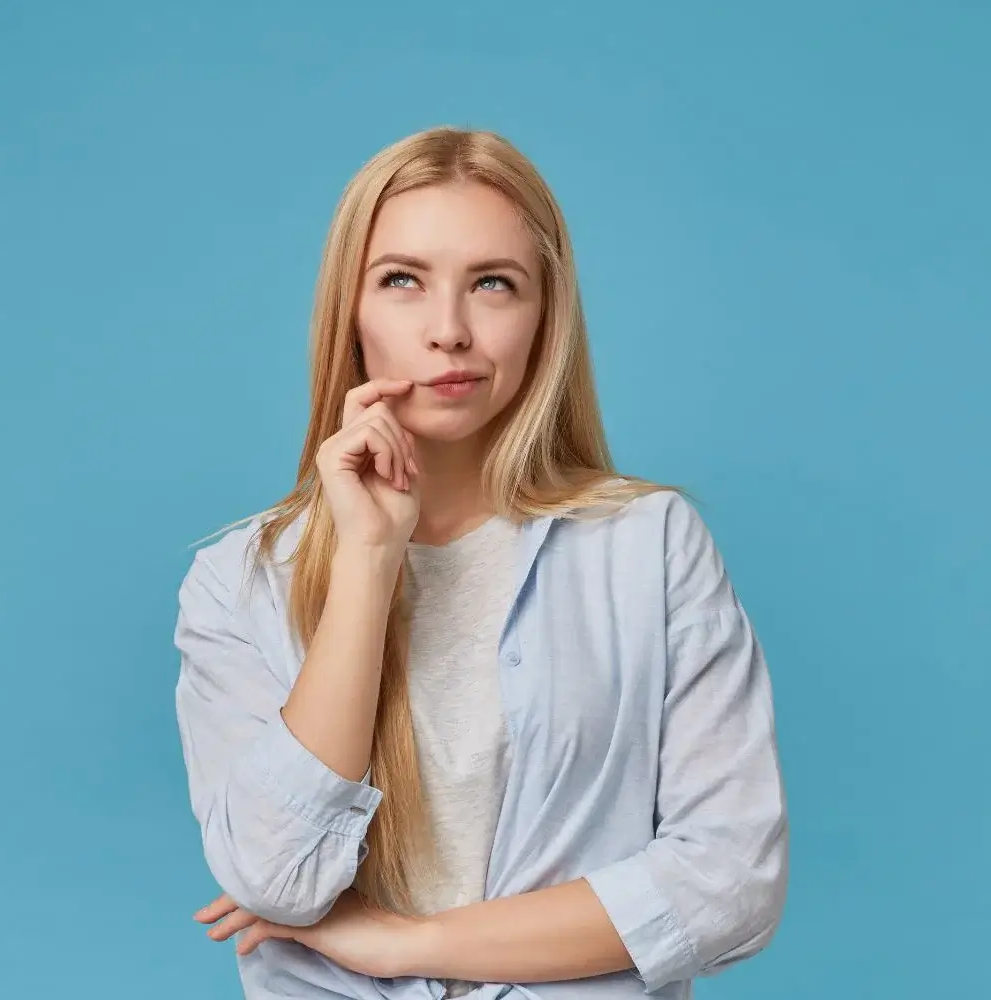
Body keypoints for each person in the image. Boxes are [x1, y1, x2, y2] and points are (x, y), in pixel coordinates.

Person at [173, 126, 788, 1000]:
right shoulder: (239, 582)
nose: (450, 331)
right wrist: (368, 560)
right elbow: (277, 878)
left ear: (546, 315)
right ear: (350, 310)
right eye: (402, 282)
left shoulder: (649, 545)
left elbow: (731, 884)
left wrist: (405, 944)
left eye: (493, 285)